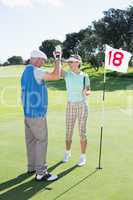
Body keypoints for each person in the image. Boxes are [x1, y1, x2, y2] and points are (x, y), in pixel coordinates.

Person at [21, 49, 61, 181]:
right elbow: (56, 76)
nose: (43, 63)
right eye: (43, 61)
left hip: (27, 114)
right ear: (37, 59)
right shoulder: (35, 71)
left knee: (31, 141)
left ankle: (32, 167)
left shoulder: (25, 71)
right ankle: (41, 173)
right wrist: (58, 59)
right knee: (41, 141)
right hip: (37, 114)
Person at [61, 55, 91, 166]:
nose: (70, 63)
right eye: (69, 62)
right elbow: (57, 70)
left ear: (78, 62)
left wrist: (86, 92)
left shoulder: (85, 76)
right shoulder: (67, 74)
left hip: (82, 105)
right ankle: (67, 153)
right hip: (70, 105)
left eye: (72, 61)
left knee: (82, 132)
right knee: (69, 131)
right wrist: (60, 60)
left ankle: (83, 156)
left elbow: (88, 90)